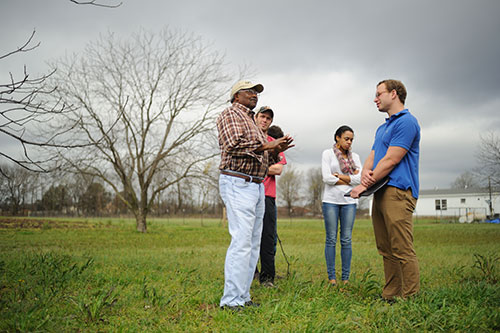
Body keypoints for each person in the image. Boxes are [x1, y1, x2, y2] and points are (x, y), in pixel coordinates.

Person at [217, 80, 294, 310]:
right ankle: (230, 300)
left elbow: (261, 156)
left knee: (251, 244)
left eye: (257, 92)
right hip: (238, 181)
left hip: (257, 185)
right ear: (236, 96)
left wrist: (276, 150)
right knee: (241, 242)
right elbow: (233, 145)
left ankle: (243, 296)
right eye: (249, 92)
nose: (254, 95)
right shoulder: (229, 114)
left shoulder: (252, 121)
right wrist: (268, 147)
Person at [350, 79, 421, 302]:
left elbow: (391, 159)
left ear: (394, 94)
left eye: (379, 94)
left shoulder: (407, 122)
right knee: (386, 248)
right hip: (380, 191)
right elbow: (374, 156)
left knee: (401, 247)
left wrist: (364, 185)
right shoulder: (383, 127)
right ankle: (391, 295)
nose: (375, 99)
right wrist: (365, 172)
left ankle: (410, 298)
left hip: (398, 191)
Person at [321, 125, 362, 286]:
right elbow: (326, 178)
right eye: (346, 138)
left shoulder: (355, 157)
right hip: (331, 201)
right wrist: (348, 179)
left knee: (346, 240)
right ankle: (332, 277)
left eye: (351, 139)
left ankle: (345, 278)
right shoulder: (327, 154)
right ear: (337, 137)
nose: (349, 142)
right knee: (331, 239)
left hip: (349, 201)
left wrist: (340, 176)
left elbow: (359, 179)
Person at [255, 107, 287, 287]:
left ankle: (267, 278)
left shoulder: (274, 143)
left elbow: (279, 168)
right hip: (247, 194)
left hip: (268, 194)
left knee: (268, 236)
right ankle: (251, 272)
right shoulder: (249, 140)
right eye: (262, 116)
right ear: (256, 118)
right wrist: (267, 168)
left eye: (268, 118)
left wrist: (256, 168)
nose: (265, 120)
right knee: (248, 236)